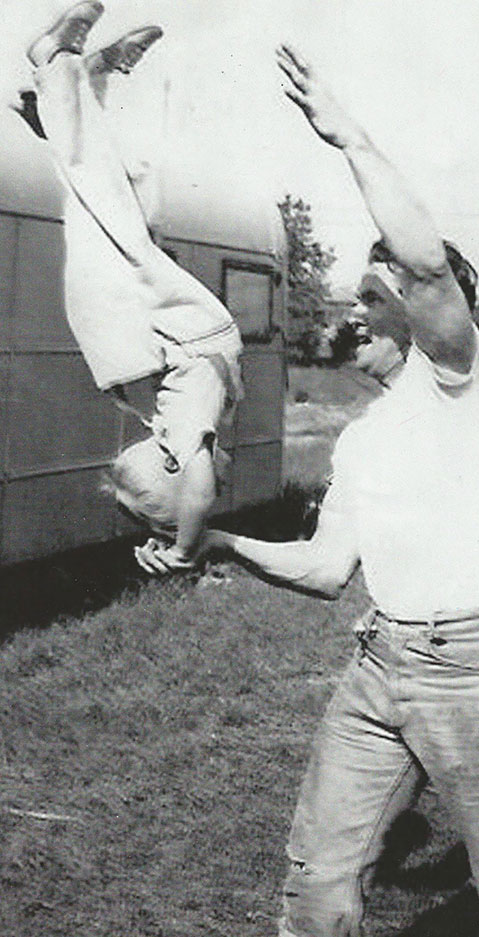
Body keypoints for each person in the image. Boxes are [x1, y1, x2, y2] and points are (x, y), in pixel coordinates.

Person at [206, 45, 479, 937]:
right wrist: (219, 542)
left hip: (467, 672)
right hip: (378, 664)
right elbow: (323, 568)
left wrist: (350, 138)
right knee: (316, 877)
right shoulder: (364, 435)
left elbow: (425, 269)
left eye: (372, 297)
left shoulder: (456, 379)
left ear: (418, 312)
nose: (355, 312)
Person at [17, 1, 243, 575]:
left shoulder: (183, 434)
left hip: (151, 327)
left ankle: (65, 72)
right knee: (121, 205)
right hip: (159, 328)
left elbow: (196, 485)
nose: (221, 481)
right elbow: (195, 482)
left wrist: (184, 544)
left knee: (107, 204)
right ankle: (78, 83)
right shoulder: (177, 425)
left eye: (211, 491)